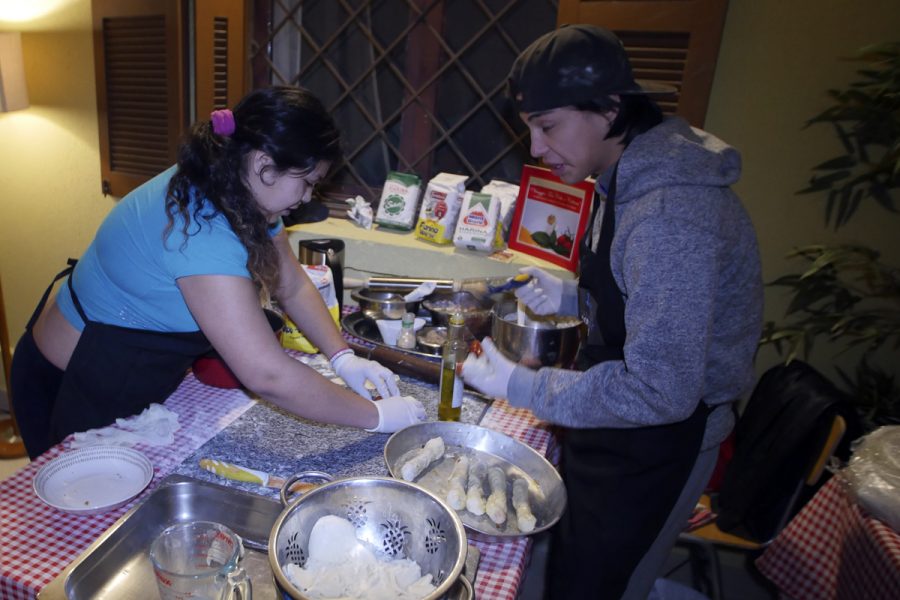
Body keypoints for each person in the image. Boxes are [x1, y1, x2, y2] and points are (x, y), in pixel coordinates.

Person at [459, 25, 763, 599]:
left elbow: (662, 388)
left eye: (547, 126)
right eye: (529, 127)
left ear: (610, 108)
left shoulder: (670, 211)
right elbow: (643, 302)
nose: (536, 148)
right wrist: (578, 300)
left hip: (663, 440)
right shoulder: (620, 177)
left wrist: (524, 385)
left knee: (602, 587)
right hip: (619, 421)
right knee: (572, 572)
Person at [11, 86, 426, 459]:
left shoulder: (238, 187)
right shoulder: (200, 230)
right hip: (73, 380)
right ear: (265, 163)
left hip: (127, 363)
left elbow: (290, 282)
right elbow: (267, 374)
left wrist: (342, 356)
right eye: (307, 182)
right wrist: (374, 416)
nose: (306, 198)